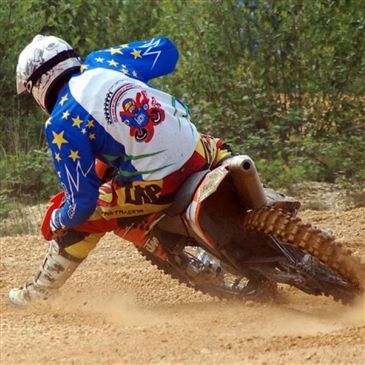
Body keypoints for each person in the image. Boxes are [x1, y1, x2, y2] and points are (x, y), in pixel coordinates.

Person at [9, 35, 232, 306]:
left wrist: (57, 219)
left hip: (160, 183)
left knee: (84, 219)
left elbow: (81, 203)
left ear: (38, 83)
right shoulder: (104, 61)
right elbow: (168, 51)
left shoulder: (60, 122)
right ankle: (264, 206)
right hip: (197, 150)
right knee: (225, 152)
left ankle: (39, 292)